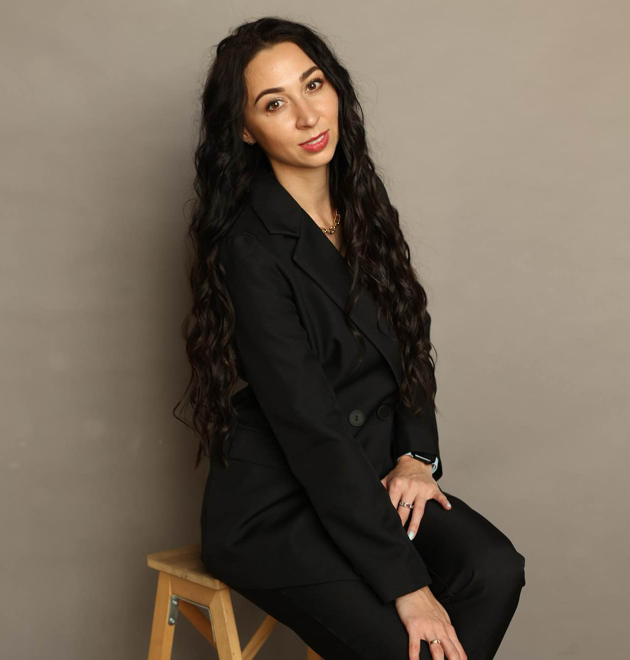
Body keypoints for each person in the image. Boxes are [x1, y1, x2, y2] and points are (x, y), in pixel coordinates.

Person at [176, 17, 526, 660]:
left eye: (314, 85)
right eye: (275, 103)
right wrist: (408, 586)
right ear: (245, 130)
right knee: (405, 645)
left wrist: (416, 456)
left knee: (494, 570)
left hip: (371, 477)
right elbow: (311, 430)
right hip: (277, 505)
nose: (308, 116)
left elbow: (409, 333)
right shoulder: (247, 246)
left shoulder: (359, 197)